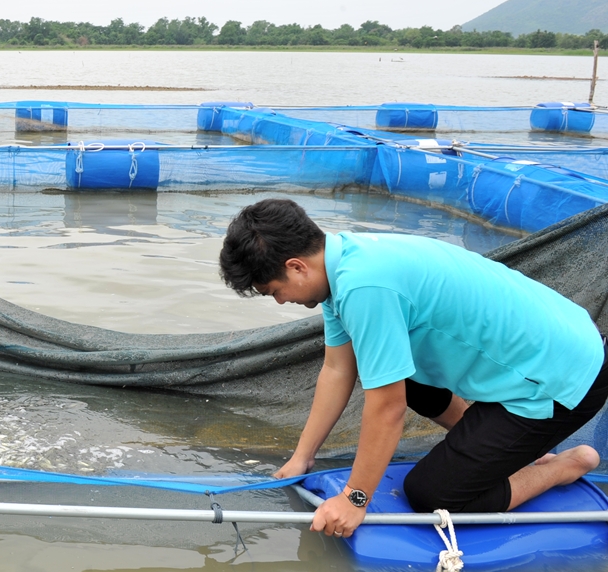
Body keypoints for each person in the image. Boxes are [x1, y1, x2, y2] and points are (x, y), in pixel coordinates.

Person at [218, 198, 608, 538]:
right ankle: (498, 448)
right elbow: (337, 370)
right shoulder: (344, 263)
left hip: (563, 379)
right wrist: (302, 457)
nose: (281, 302)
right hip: (555, 344)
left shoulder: (365, 287)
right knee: (401, 375)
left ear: (296, 267)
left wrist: (356, 498)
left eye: (274, 291)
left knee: (431, 495)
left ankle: (565, 466)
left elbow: (388, 408)